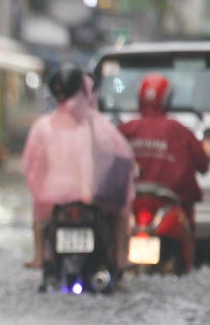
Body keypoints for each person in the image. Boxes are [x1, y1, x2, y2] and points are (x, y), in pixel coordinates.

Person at [23, 64, 136, 271]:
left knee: (38, 214)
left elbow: (30, 164)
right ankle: (121, 257)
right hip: (96, 196)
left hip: (52, 196)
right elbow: (123, 158)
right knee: (121, 212)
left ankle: (39, 256)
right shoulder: (99, 125)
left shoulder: (43, 126)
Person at [118, 72, 209, 229]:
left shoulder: (126, 129)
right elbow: (203, 165)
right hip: (171, 206)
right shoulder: (180, 131)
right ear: (168, 100)